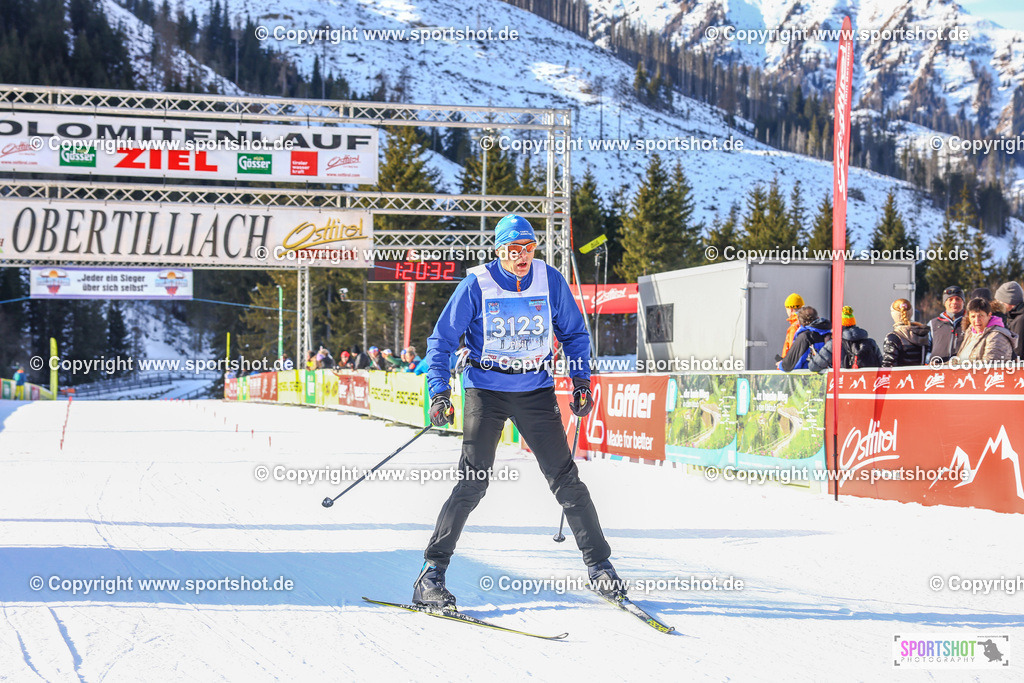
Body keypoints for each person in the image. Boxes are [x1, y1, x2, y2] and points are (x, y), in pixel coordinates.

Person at [413, 213, 622, 608]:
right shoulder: (476, 283)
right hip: (485, 390)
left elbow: (575, 333)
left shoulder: (549, 279)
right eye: (514, 249)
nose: (522, 256)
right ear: (499, 250)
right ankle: (431, 574)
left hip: (535, 390)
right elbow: (441, 340)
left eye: (528, 248)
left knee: (566, 480)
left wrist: (581, 382)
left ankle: (601, 569)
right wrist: (439, 391)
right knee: (473, 483)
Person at [807, 306, 882, 372]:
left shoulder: (833, 344)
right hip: (867, 384)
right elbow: (881, 364)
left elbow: (813, 367)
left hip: (843, 384)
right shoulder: (871, 342)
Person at [955, 297, 1016, 361]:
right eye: (973, 316)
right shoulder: (970, 332)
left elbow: (990, 365)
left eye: (981, 316)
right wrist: (944, 366)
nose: (977, 320)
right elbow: (958, 361)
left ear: (989, 315)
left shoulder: (997, 336)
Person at [777, 306, 831, 372]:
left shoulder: (805, 338)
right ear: (817, 318)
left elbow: (790, 365)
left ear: (799, 322)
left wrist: (780, 365)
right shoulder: (830, 333)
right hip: (830, 377)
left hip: (809, 378)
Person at [882, 298, 930, 366]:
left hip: (901, 376)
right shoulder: (922, 333)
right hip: (920, 375)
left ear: (893, 314)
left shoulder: (893, 338)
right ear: (911, 312)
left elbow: (888, 366)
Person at [927, 285, 965, 362]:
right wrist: (928, 360)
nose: (954, 302)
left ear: (963, 302)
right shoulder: (933, 324)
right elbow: (926, 348)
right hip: (938, 370)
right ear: (944, 303)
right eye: (950, 299)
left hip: (963, 369)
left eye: (958, 299)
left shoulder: (971, 323)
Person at [993, 281, 1024, 359]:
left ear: (1009, 301)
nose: (997, 305)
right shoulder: (1011, 317)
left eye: (999, 301)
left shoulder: (1020, 320)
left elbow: (1018, 351)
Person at [776, 293, 804, 363]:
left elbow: (792, 351)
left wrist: (783, 364)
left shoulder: (794, 327)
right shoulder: (807, 322)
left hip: (793, 369)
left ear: (791, 309)